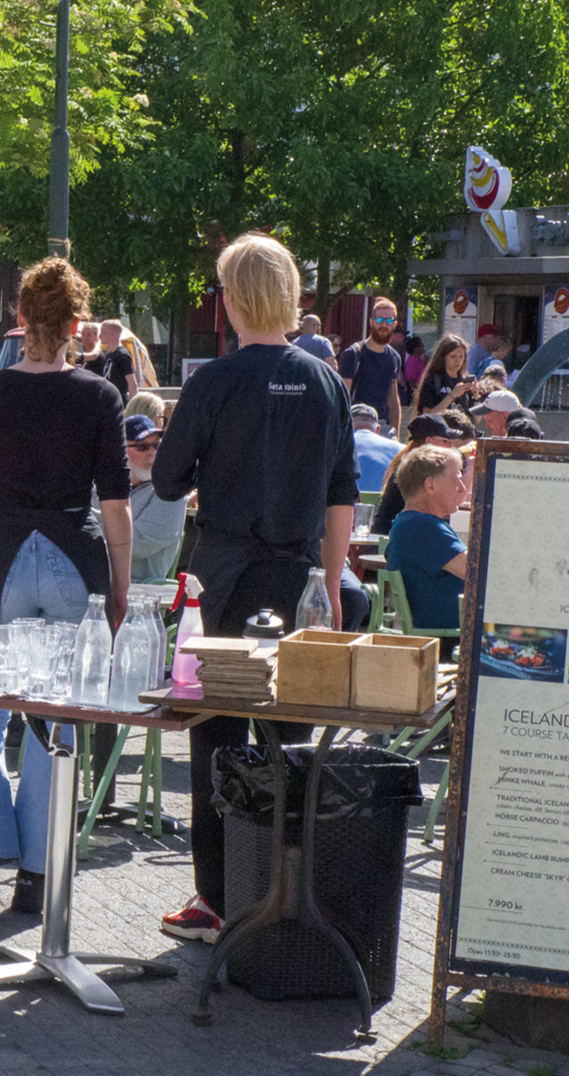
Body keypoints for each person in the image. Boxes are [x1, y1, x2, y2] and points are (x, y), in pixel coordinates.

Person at [149, 233, 359, 945]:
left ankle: (216, 898)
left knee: (216, 737)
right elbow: (341, 496)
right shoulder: (327, 379)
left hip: (225, 582)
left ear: (232, 299)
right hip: (297, 579)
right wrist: (329, 587)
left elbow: (168, 480)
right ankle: (287, 892)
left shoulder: (214, 381)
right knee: (292, 740)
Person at [0, 256, 132, 914]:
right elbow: (116, 504)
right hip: (73, 549)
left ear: (19, 319)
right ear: (76, 325)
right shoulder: (99, 396)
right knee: (51, 715)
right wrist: (120, 584)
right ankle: (37, 871)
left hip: (5, 550)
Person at [384, 446, 469, 631]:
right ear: (430, 486)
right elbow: (477, 571)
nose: (462, 489)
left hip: (444, 634)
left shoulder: (408, 522)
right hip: (449, 639)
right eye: (457, 480)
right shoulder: (422, 526)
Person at [372, 413, 476, 536]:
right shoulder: (417, 472)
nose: (450, 446)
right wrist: (470, 468)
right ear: (429, 441)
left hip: (396, 540)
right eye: (446, 441)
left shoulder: (411, 466)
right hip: (390, 543)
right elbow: (451, 506)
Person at [120, 415, 187, 582]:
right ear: (119, 449)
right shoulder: (102, 487)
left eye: (156, 445)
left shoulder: (170, 493)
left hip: (139, 593)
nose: (152, 452)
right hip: (91, 583)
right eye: (142, 447)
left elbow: (136, 545)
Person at [338, 297, 405, 432]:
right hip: (357, 425)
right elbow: (342, 399)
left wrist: (395, 435)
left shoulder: (394, 358)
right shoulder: (353, 355)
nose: (384, 325)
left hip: (383, 427)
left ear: (394, 324)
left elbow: (393, 400)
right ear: (371, 322)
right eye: (379, 320)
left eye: (389, 321)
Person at [413, 335, 476, 418]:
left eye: (461, 357)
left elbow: (475, 419)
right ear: (443, 357)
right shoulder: (433, 380)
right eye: (453, 356)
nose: (458, 361)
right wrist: (452, 395)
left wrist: (476, 396)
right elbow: (428, 414)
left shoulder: (463, 381)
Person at [350, 403, 402, 495]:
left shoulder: (336, 448)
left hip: (346, 505)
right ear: (378, 430)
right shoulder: (402, 450)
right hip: (387, 506)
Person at [85, 319, 137, 402]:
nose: (100, 336)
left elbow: (132, 384)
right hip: (108, 400)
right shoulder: (109, 355)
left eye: (103, 332)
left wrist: (133, 407)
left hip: (120, 401)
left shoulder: (123, 355)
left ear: (112, 334)